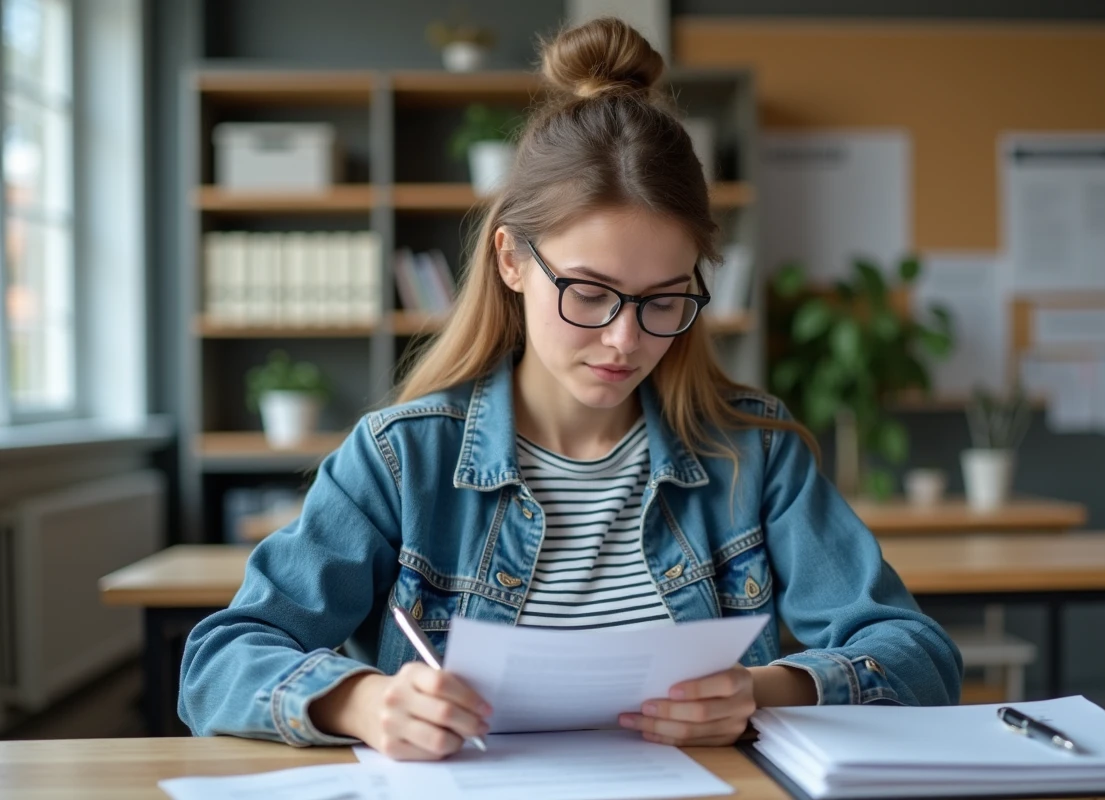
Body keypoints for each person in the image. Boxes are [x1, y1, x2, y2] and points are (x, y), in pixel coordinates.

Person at [179, 17, 962, 761]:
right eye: (589, 293)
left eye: (664, 299)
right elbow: (218, 662)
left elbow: (918, 655)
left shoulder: (750, 453)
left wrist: (767, 688)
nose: (627, 339)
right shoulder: (400, 459)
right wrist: (358, 703)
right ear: (512, 261)